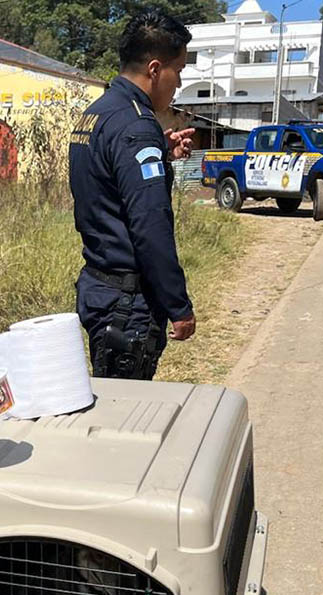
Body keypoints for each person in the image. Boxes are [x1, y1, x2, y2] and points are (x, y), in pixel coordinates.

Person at [69, 10, 197, 380]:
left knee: (111, 401)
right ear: (155, 69)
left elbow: (108, 183)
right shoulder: (136, 126)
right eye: (179, 71)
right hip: (127, 302)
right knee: (121, 419)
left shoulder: (97, 114)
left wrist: (161, 152)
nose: (179, 83)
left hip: (98, 287)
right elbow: (149, 225)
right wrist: (178, 305)